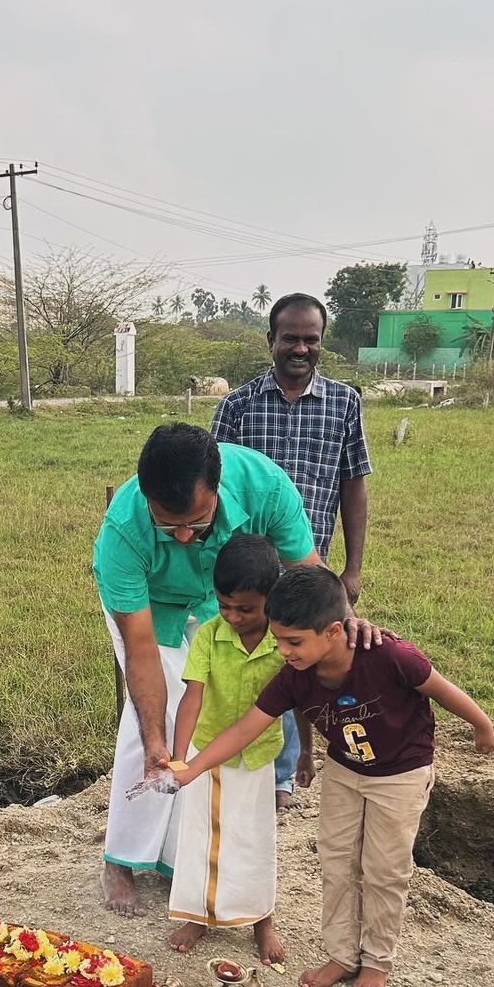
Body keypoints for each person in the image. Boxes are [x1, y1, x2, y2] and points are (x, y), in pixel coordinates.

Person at [172, 565, 494, 987]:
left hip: (401, 775)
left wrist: (482, 725)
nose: (282, 650)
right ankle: (342, 955)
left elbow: (439, 688)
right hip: (345, 771)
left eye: (293, 642)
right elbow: (247, 727)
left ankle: (377, 960)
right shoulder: (295, 676)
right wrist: (191, 768)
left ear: (333, 632)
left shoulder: (389, 656)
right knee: (337, 861)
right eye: (278, 639)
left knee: (384, 870)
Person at [92, 422, 377, 918]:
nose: (184, 537)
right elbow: (141, 652)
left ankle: (179, 856)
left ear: (218, 490)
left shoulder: (265, 488)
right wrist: (157, 741)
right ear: (147, 499)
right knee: (151, 727)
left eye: (197, 523)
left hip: (221, 603)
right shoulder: (123, 532)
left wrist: (347, 624)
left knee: (213, 715)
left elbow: (311, 574)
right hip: (151, 606)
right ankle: (120, 858)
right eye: (168, 527)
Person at [211, 293, 372, 809]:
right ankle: (255, 766)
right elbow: (210, 486)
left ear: (321, 342)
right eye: (290, 339)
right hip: (250, 566)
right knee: (252, 661)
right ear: (271, 341)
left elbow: (353, 484)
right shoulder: (237, 406)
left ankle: (290, 769)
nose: (300, 348)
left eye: (310, 339)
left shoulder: (344, 403)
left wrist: (351, 569)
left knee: (303, 659)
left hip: (309, 561)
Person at [167, 534, 287, 964]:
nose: (234, 616)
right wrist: (180, 759)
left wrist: (304, 754)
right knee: (202, 837)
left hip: (259, 754)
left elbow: (301, 702)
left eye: (246, 609)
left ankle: (262, 920)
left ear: (271, 599)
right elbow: (192, 697)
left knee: (254, 838)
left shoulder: (283, 643)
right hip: (206, 754)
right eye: (224, 605)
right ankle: (199, 916)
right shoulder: (208, 637)